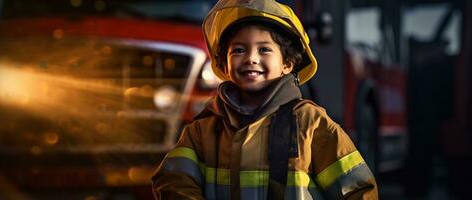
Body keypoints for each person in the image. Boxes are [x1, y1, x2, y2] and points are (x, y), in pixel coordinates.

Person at [152, 0, 378, 199]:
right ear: (224, 64)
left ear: (287, 64)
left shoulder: (310, 124)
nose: (251, 58)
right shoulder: (203, 129)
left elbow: (357, 190)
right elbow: (173, 180)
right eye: (238, 50)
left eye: (264, 50)